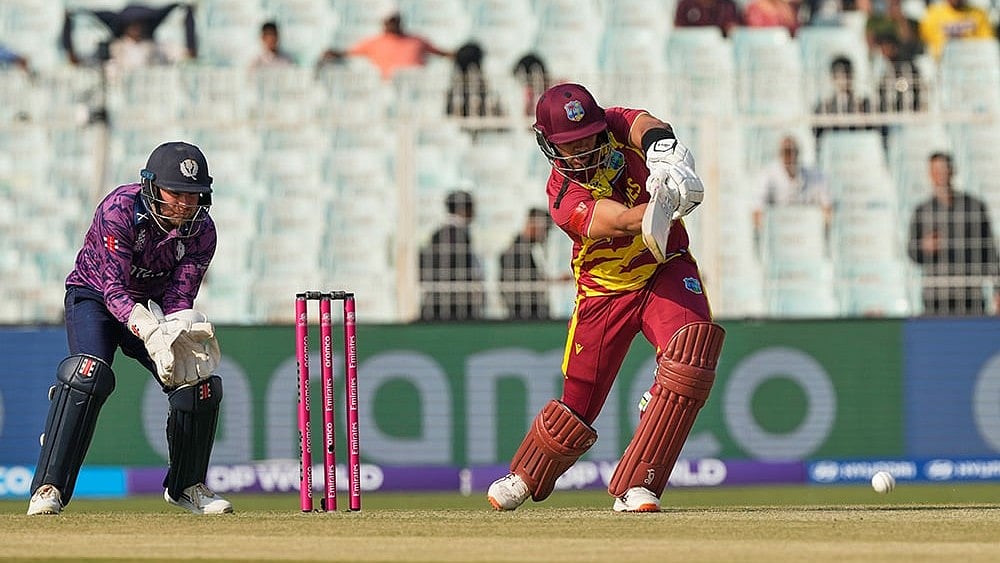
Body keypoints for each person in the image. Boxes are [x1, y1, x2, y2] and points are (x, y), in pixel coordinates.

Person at [487, 83, 725, 513]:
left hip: (662, 268)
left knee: (690, 358)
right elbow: (621, 222)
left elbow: (647, 126)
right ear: (550, 146)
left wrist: (665, 154)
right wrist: (666, 199)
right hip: (604, 290)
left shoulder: (613, 122)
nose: (581, 152)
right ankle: (525, 474)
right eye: (569, 145)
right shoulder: (562, 197)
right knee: (579, 404)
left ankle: (639, 485)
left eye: (587, 139)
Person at [26, 142, 232, 516]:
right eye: (177, 194)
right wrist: (146, 328)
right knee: (87, 376)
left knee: (196, 381)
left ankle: (187, 486)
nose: (185, 205)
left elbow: (179, 296)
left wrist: (175, 327)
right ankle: (48, 487)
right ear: (152, 186)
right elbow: (113, 289)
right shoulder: (119, 209)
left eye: (193, 195)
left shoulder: (202, 232)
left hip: (153, 308)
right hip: (95, 299)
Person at [907, 152, 1000, 315]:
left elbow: (990, 251)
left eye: (944, 169)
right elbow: (913, 253)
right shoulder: (922, 211)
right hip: (936, 295)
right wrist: (924, 247)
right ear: (930, 174)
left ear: (953, 171)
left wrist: (997, 289)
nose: (940, 174)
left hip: (970, 293)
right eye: (935, 170)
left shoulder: (974, 207)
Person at [318, 10, 452, 79]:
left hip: (418, 84)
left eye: (395, 21)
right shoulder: (374, 42)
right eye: (390, 21)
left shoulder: (417, 40)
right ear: (384, 23)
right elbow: (348, 53)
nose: (392, 24)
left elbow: (441, 53)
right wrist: (332, 53)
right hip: (388, 85)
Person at [61, 3, 196, 69]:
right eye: (132, 24)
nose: (136, 28)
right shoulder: (111, 48)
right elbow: (76, 61)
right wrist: (68, 26)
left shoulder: (158, 49)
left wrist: (189, 20)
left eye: (140, 23)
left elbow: (189, 54)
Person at [419, 190, 485, 321]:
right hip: (452, 307)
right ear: (464, 209)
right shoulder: (456, 234)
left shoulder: (440, 233)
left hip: (442, 304)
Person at [753, 135, 832, 237]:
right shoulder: (766, 176)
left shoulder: (815, 177)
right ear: (779, 154)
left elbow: (828, 210)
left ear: (798, 153)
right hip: (778, 234)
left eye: (791, 151)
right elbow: (756, 213)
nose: (788, 156)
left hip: (806, 233)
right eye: (785, 151)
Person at [812, 56, 880, 149]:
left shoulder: (864, 103)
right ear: (833, 77)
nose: (844, 78)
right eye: (839, 74)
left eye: (847, 73)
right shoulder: (824, 106)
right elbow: (818, 135)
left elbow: (873, 130)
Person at [499, 208, 554, 319]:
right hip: (525, 316)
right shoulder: (517, 251)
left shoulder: (526, 249)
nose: (546, 234)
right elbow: (521, 286)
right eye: (546, 229)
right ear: (535, 225)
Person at [919, 0, 994, 60]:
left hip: (972, 63)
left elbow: (987, 45)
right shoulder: (932, 14)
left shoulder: (979, 13)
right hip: (941, 63)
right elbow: (925, 44)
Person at [673, 0, 744, 38]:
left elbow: (736, 32)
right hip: (690, 56)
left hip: (718, 59)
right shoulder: (686, 4)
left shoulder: (728, 6)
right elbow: (678, 33)